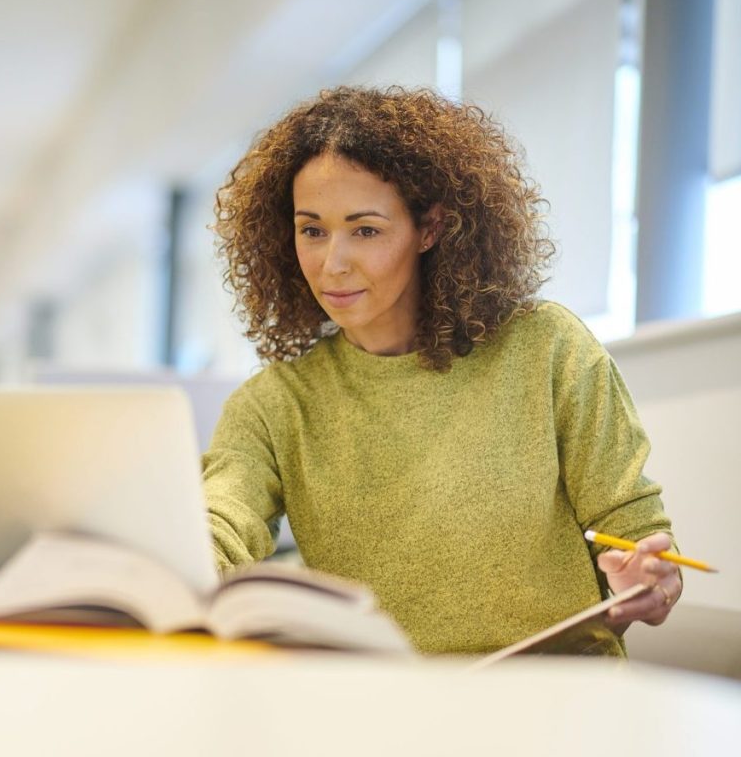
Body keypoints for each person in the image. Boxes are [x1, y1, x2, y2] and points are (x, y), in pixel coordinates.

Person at [202, 85, 681, 657]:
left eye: (366, 230)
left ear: (429, 229)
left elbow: (636, 528)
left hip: (558, 707)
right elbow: (222, 521)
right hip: (387, 715)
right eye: (312, 230)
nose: (332, 263)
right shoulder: (273, 404)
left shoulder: (546, 348)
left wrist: (650, 575)